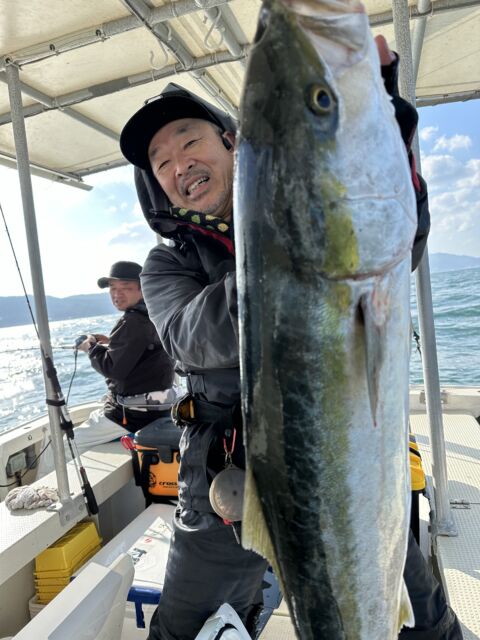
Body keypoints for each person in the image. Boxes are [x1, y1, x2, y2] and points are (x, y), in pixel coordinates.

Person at [119, 39, 462, 640]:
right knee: (182, 630)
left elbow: (395, 240)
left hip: (342, 454)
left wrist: (374, 126)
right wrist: (292, 244)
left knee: (419, 616)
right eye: (161, 162)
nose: (179, 165)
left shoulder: (310, 211)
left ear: (233, 142)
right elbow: (191, 337)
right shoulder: (165, 264)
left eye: (189, 141)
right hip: (224, 479)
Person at [72, 260, 176, 450]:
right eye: (113, 288)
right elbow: (146, 349)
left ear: (143, 290)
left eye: (126, 288)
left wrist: (90, 347)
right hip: (156, 408)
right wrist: (111, 342)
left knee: (64, 446)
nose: (117, 294)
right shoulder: (154, 315)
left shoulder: (132, 321)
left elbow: (112, 369)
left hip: (133, 415)